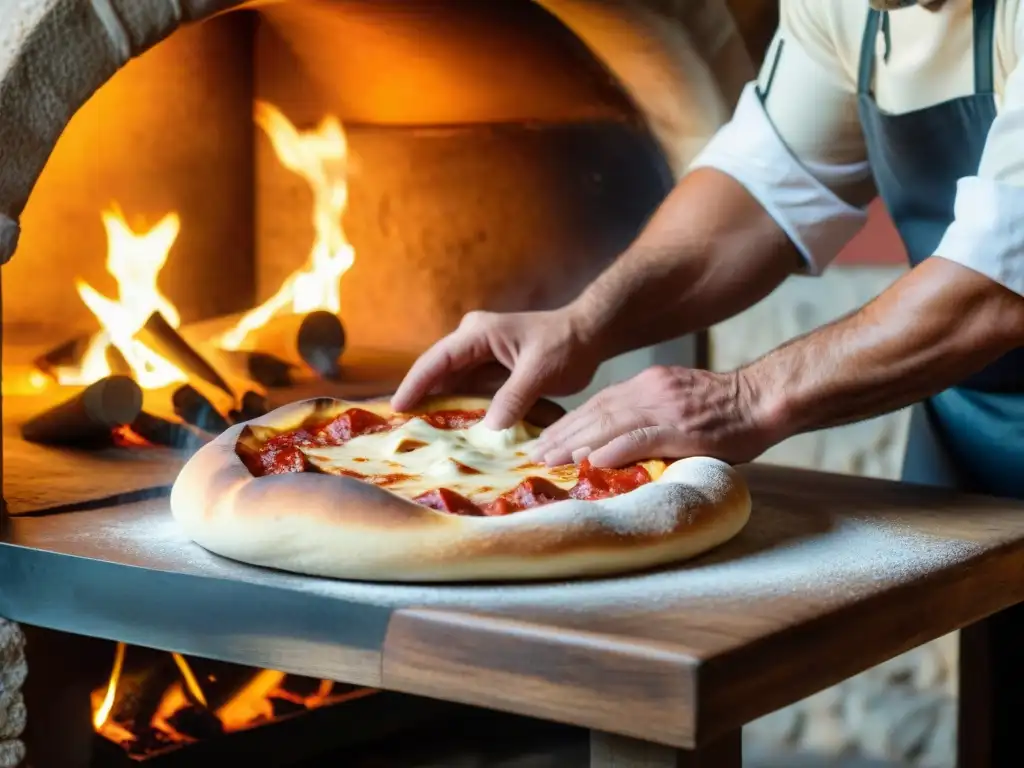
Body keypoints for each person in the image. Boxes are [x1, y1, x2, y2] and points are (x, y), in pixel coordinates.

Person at [393, 0, 1024, 499]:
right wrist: (581, 324)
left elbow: (997, 288)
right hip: (969, 427)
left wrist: (744, 399)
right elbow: (768, 180)